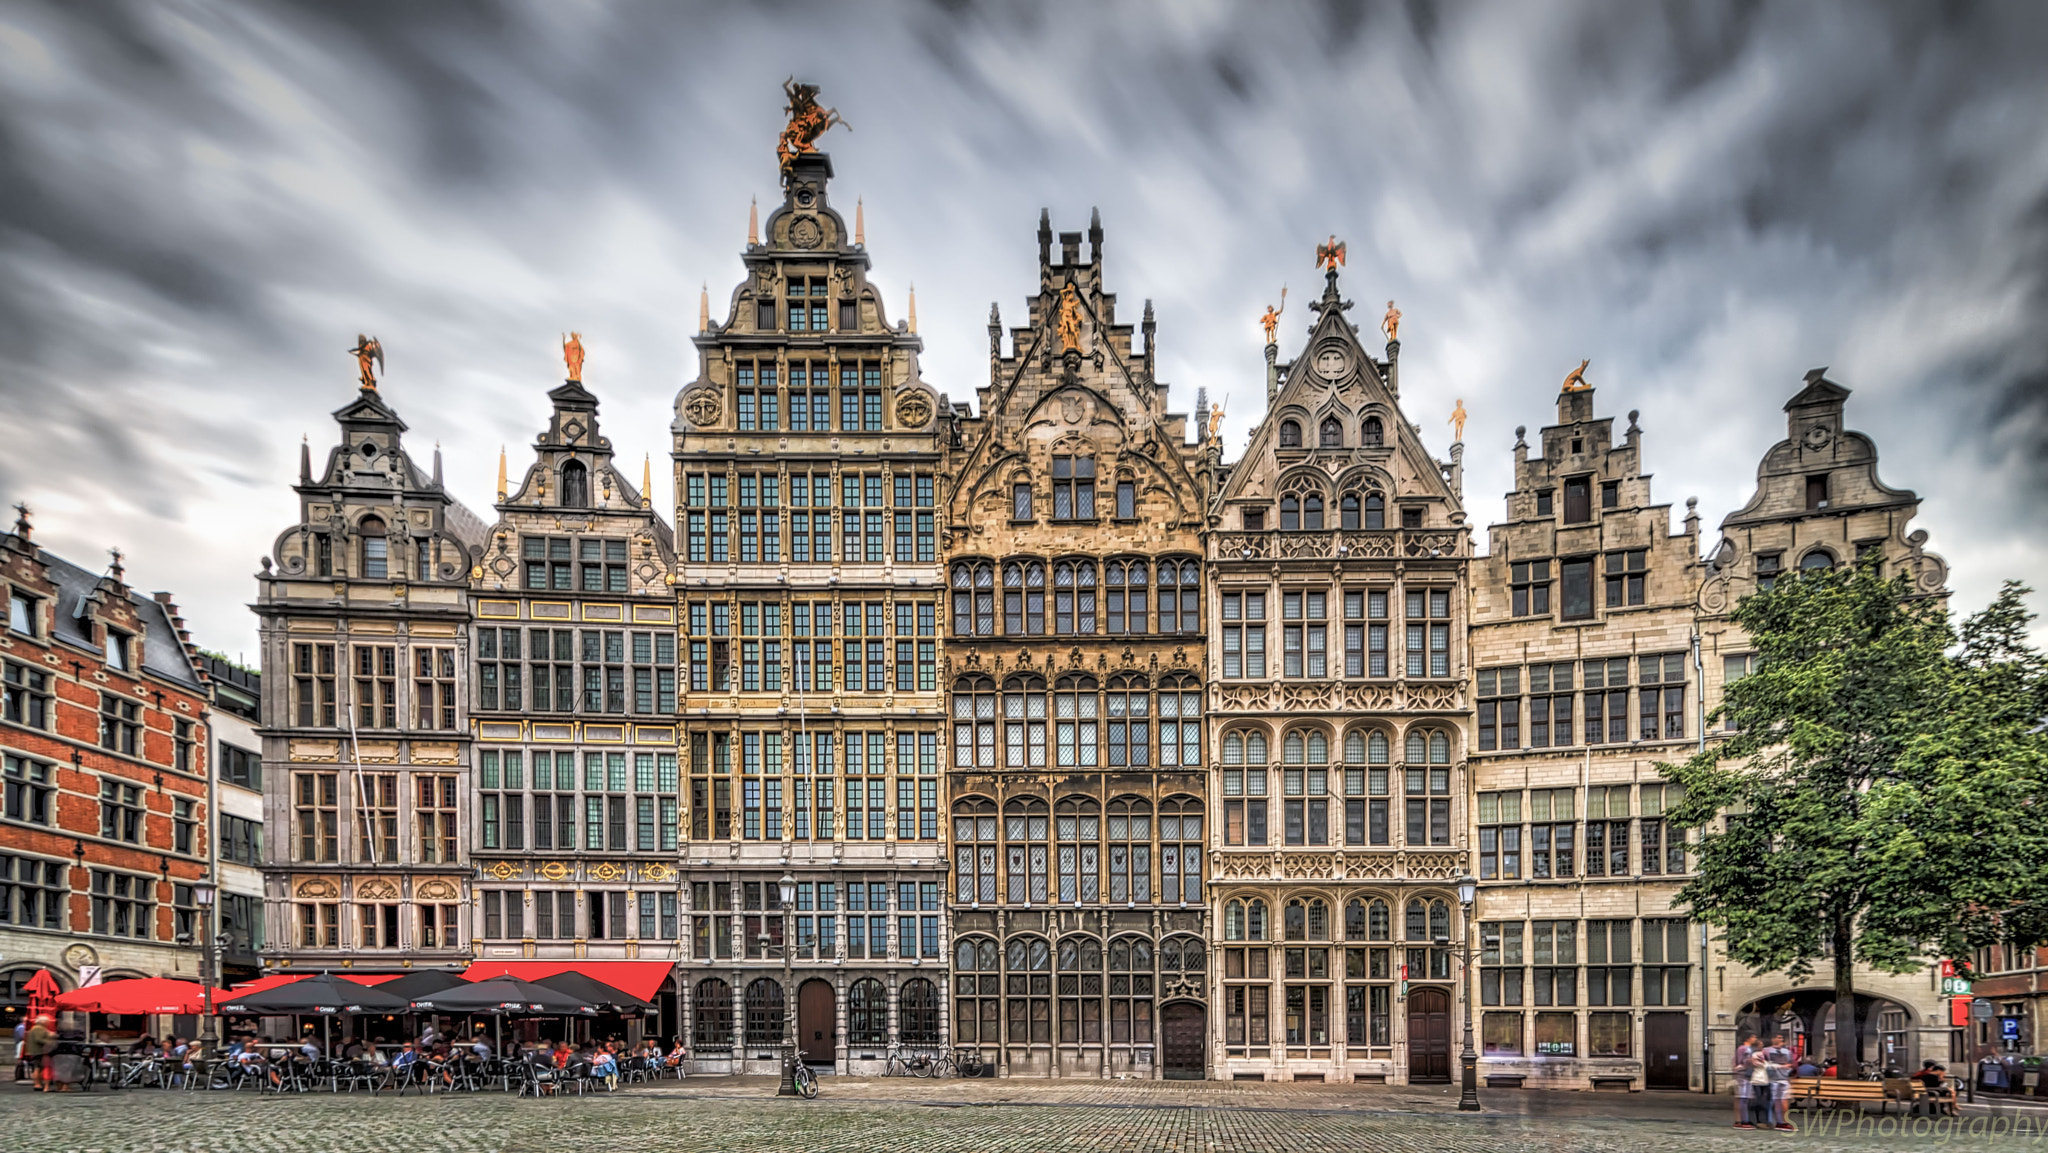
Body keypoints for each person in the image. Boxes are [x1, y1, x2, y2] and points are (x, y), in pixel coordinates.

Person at [1765, 1033, 1797, 1131]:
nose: (1780, 1039)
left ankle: (1782, 1121)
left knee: (1782, 1100)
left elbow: (1791, 1063)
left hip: (1783, 1078)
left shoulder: (1786, 1051)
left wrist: (1789, 1071)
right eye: (1778, 1037)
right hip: (1771, 1079)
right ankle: (1770, 1121)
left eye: (1782, 1037)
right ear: (1772, 1038)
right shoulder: (1766, 1051)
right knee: (1772, 1101)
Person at [1732, 1033, 1759, 1129]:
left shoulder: (1749, 1049)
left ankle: (1742, 1120)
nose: (1755, 1038)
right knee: (1742, 1098)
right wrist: (1752, 1061)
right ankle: (1743, 1121)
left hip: (1746, 1076)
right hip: (1743, 1076)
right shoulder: (1744, 1048)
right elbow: (1741, 1062)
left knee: (1744, 1099)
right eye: (1754, 1037)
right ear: (1748, 1038)